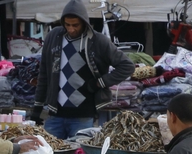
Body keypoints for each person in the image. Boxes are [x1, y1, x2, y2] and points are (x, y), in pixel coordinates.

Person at [30, 0, 133, 140]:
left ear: (85, 22)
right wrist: (37, 107)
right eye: (67, 25)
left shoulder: (98, 41)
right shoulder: (54, 37)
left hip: (83, 116)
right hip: (55, 115)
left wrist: (99, 83)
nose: (71, 29)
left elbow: (127, 66)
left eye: (75, 25)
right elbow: (44, 74)